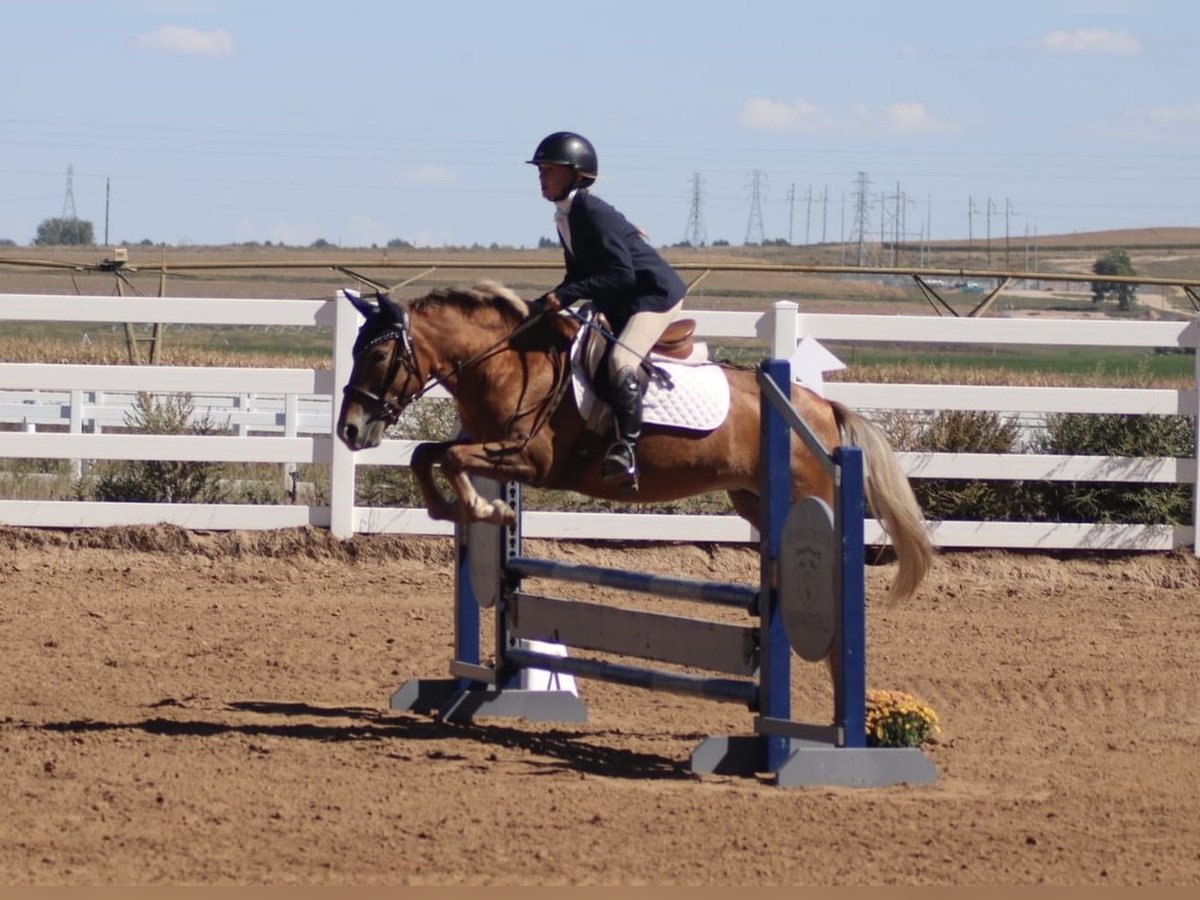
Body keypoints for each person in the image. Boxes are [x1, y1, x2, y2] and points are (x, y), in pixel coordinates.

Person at [526, 131, 687, 490]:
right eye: (540, 170)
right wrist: (547, 302)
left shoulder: (592, 212)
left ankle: (627, 449)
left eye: (548, 170)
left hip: (653, 295)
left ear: (575, 174)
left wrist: (565, 295)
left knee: (620, 361)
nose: (541, 177)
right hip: (622, 296)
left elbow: (621, 274)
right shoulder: (566, 215)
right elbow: (578, 276)